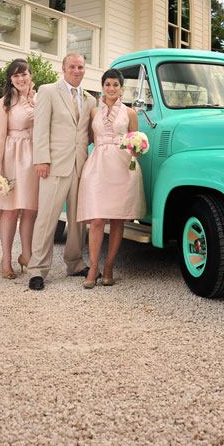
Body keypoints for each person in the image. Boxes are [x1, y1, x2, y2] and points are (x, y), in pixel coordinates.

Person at [29, 53, 97, 290]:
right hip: (54, 164)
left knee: (78, 220)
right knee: (47, 218)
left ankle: (75, 263)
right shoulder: (48, 91)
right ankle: (37, 269)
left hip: (80, 165)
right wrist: (41, 159)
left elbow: (88, 133)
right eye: (72, 66)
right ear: (63, 68)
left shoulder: (90, 99)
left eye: (80, 67)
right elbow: (40, 128)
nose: (76, 70)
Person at [76, 69, 146, 289]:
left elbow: (135, 141)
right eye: (107, 84)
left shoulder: (130, 113)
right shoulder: (93, 112)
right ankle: (93, 267)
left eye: (116, 84)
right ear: (103, 86)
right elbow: (87, 137)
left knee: (117, 218)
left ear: (121, 88)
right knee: (97, 220)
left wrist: (137, 149)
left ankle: (108, 266)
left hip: (123, 166)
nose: (111, 88)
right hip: (98, 165)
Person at [0, 58, 39, 280]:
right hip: (14, 155)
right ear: (10, 79)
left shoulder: (40, 99)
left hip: (35, 157)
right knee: (10, 209)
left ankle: (27, 254)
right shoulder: (4, 103)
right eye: (16, 75)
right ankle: (6, 259)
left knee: (32, 209)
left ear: (31, 75)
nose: (21, 79)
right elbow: (0, 138)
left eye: (24, 74)